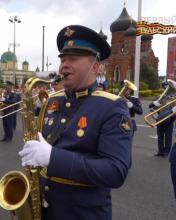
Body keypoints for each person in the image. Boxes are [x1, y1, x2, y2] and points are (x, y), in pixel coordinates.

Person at [19, 25, 133, 219]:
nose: (64, 65)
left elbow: (115, 172)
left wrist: (53, 157)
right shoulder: (53, 101)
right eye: (63, 59)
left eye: (73, 59)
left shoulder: (112, 107)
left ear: (96, 67)